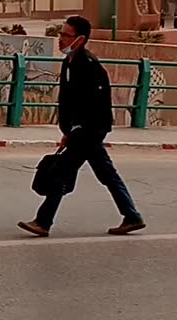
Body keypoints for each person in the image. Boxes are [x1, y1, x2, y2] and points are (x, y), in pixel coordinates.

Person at [18, 16, 146, 237]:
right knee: (107, 174)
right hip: (80, 131)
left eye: (66, 35)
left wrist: (78, 132)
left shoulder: (89, 66)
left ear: (80, 39)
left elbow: (93, 105)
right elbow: (69, 101)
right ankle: (132, 216)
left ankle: (43, 221)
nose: (60, 39)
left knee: (62, 172)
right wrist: (67, 132)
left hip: (90, 130)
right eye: (60, 34)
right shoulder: (69, 62)